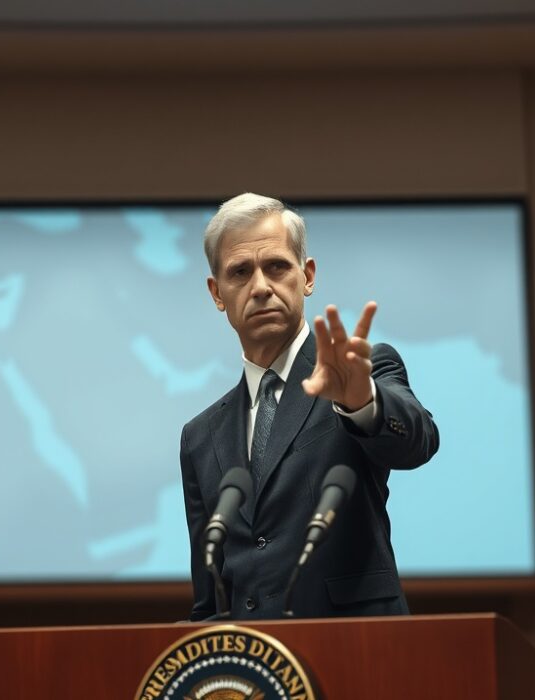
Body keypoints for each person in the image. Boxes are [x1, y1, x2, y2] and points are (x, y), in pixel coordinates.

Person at [180, 193, 439, 621]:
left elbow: (418, 443)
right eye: (240, 272)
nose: (261, 287)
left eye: (277, 266)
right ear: (217, 293)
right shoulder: (200, 436)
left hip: (360, 656)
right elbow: (212, 596)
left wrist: (360, 402)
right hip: (258, 674)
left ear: (308, 275)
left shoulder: (361, 373)